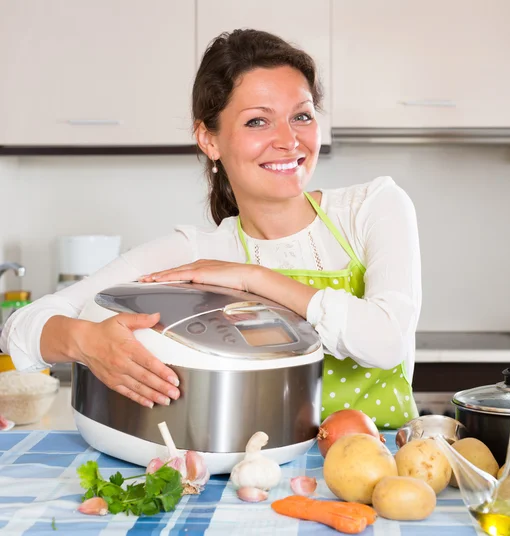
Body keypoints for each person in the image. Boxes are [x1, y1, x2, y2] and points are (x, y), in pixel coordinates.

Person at [0, 29, 422, 429]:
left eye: (302, 116)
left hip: (381, 471)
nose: (289, 140)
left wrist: (253, 277)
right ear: (209, 139)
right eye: (259, 121)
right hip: (257, 475)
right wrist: (85, 341)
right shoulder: (193, 252)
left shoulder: (372, 207)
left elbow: (386, 342)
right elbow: (20, 330)